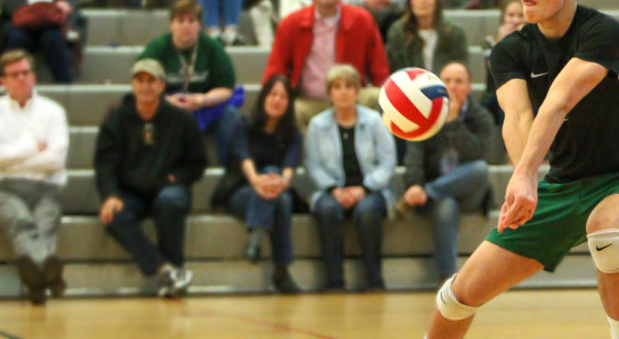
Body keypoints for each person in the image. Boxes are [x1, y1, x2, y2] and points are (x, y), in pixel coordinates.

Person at [422, 0, 619, 339]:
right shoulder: (508, 51)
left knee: (606, 231)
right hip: (561, 185)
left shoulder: (603, 32)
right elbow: (517, 116)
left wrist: (527, 173)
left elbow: (559, 100)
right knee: (457, 295)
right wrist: (525, 176)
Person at [95, 59, 207, 298]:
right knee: (113, 214)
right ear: (133, 85)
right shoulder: (115, 118)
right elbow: (105, 163)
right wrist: (110, 195)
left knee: (171, 200)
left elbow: (198, 162)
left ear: (162, 85)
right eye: (140, 80)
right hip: (131, 192)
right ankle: (166, 270)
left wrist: (178, 177)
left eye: (151, 81)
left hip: (168, 187)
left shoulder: (182, 119)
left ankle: (175, 267)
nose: (145, 86)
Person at [396, 61, 493, 284]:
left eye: (459, 81)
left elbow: (479, 155)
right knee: (446, 205)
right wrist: (413, 185)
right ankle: (448, 279)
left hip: (470, 192)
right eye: (447, 81)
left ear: (469, 86)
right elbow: (414, 157)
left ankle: (429, 191)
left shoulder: (481, 118)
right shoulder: (424, 116)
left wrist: (452, 123)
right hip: (436, 196)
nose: (452, 86)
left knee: (480, 169)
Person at [262, 0, 389, 131]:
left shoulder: (362, 20)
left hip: (352, 99)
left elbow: (380, 69)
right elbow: (275, 69)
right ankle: (307, 157)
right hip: (309, 102)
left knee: (379, 97)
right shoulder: (291, 24)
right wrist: (273, 96)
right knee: (292, 109)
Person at [304, 64, 396, 291]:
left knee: (366, 212)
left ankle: (374, 280)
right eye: (337, 87)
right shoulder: (317, 125)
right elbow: (313, 165)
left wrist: (363, 189)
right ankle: (334, 281)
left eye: (348, 86)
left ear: (357, 91)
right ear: (329, 93)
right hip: (331, 190)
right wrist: (334, 189)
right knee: (326, 210)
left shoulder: (375, 120)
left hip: (370, 189)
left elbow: (388, 163)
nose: (343, 92)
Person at [211, 74, 302, 294]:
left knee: (280, 198)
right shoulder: (244, 125)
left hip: (275, 192)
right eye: (273, 94)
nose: (277, 100)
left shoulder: (292, 133)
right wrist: (258, 181)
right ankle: (282, 271)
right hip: (242, 191)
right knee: (275, 189)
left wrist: (280, 183)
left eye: (283, 96)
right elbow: (244, 158)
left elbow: (290, 166)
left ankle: (256, 238)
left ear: (288, 103)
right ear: (264, 98)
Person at [0, 50, 69, 304]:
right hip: (5, 188)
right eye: (14, 74)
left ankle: (36, 282)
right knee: (21, 221)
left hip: (45, 186)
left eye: (25, 73)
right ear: (2, 81)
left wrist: (10, 160)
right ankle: (50, 276)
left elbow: (54, 161)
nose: (21, 78)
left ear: (34, 77)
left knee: (45, 223)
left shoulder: (53, 112)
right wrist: (31, 148)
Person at [138, 0, 242, 164]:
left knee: (231, 116)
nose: (186, 26)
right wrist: (166, 101)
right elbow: (140, 86)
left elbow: (226, 87)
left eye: (191, 21)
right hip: (168, 104)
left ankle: (230, 172)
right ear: (171, 24)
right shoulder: (156, 49)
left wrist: (204, 100)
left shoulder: (213, 48)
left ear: (199, 25)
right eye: (180, 21)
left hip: (205, 103)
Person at [386, 0, 469, 74]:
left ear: (437, 2)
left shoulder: (454, 32)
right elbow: (395, 69)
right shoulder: (398, 32)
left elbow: (461, 68)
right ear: (410, 2)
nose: (422, 0)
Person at [481, 0, 525, 131]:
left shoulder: (533, 40)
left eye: (520, 16)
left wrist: (523, 40)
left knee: (512, 104)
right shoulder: (490, 41)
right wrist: (501, 43)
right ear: (503, 18)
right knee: (502, 103)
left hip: (525, 92)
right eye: (511, 15)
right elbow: (494, 68)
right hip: (495, 92)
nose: (515, 21)